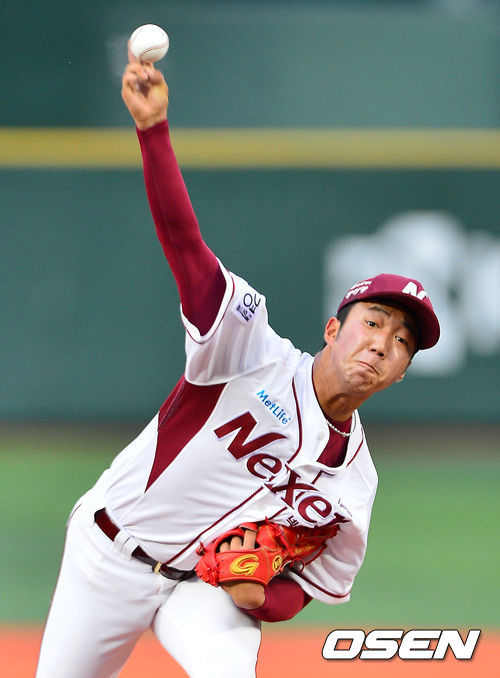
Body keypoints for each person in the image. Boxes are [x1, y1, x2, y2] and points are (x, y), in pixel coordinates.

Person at [36, 54, 440, 678]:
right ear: (333, 330)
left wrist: (260, 598)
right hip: (111, 552)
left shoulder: (355, 483)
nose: (384, 342)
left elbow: (310, 585)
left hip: (204, 591)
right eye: (373, 322)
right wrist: (153, 130)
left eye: (403, 340)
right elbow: (186, 247)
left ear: (402, 372)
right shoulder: (248, 349)